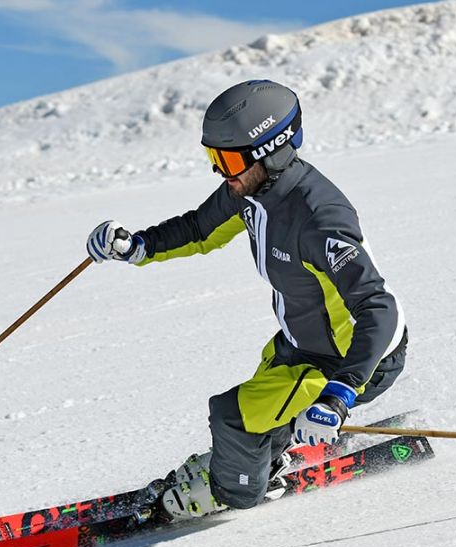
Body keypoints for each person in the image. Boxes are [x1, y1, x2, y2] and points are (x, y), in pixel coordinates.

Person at [86, 80, 407, 520]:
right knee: (263, 390)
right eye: (215, 159)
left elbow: (379, 307)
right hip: (302, 345)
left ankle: (231, 492)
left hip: (350, 363)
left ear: (271, 151)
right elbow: (199, 228)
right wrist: (137, 246)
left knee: (233, 416)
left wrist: (338, 395)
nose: (222, 173)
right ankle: (261, 460)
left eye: (230, 160)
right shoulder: (253, 191)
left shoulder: (319, 219)